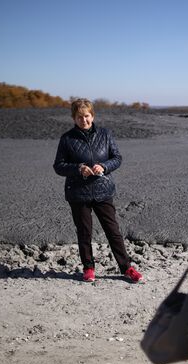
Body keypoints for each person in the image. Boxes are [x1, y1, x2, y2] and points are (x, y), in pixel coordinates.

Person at [53, 98, 143, 283]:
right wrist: (78, 168)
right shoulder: (67, 139)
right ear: (73, 118)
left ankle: (126, 268)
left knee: (113, 231)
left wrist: (104, 166)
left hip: (103, 191)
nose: (83, 120)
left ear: (92, 116)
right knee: (84, 232)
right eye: (79, 117)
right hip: (78, 193)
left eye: (86, 116)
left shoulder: (105, 134)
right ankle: (88, 268)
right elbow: (59, 166)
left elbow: (117, 158)